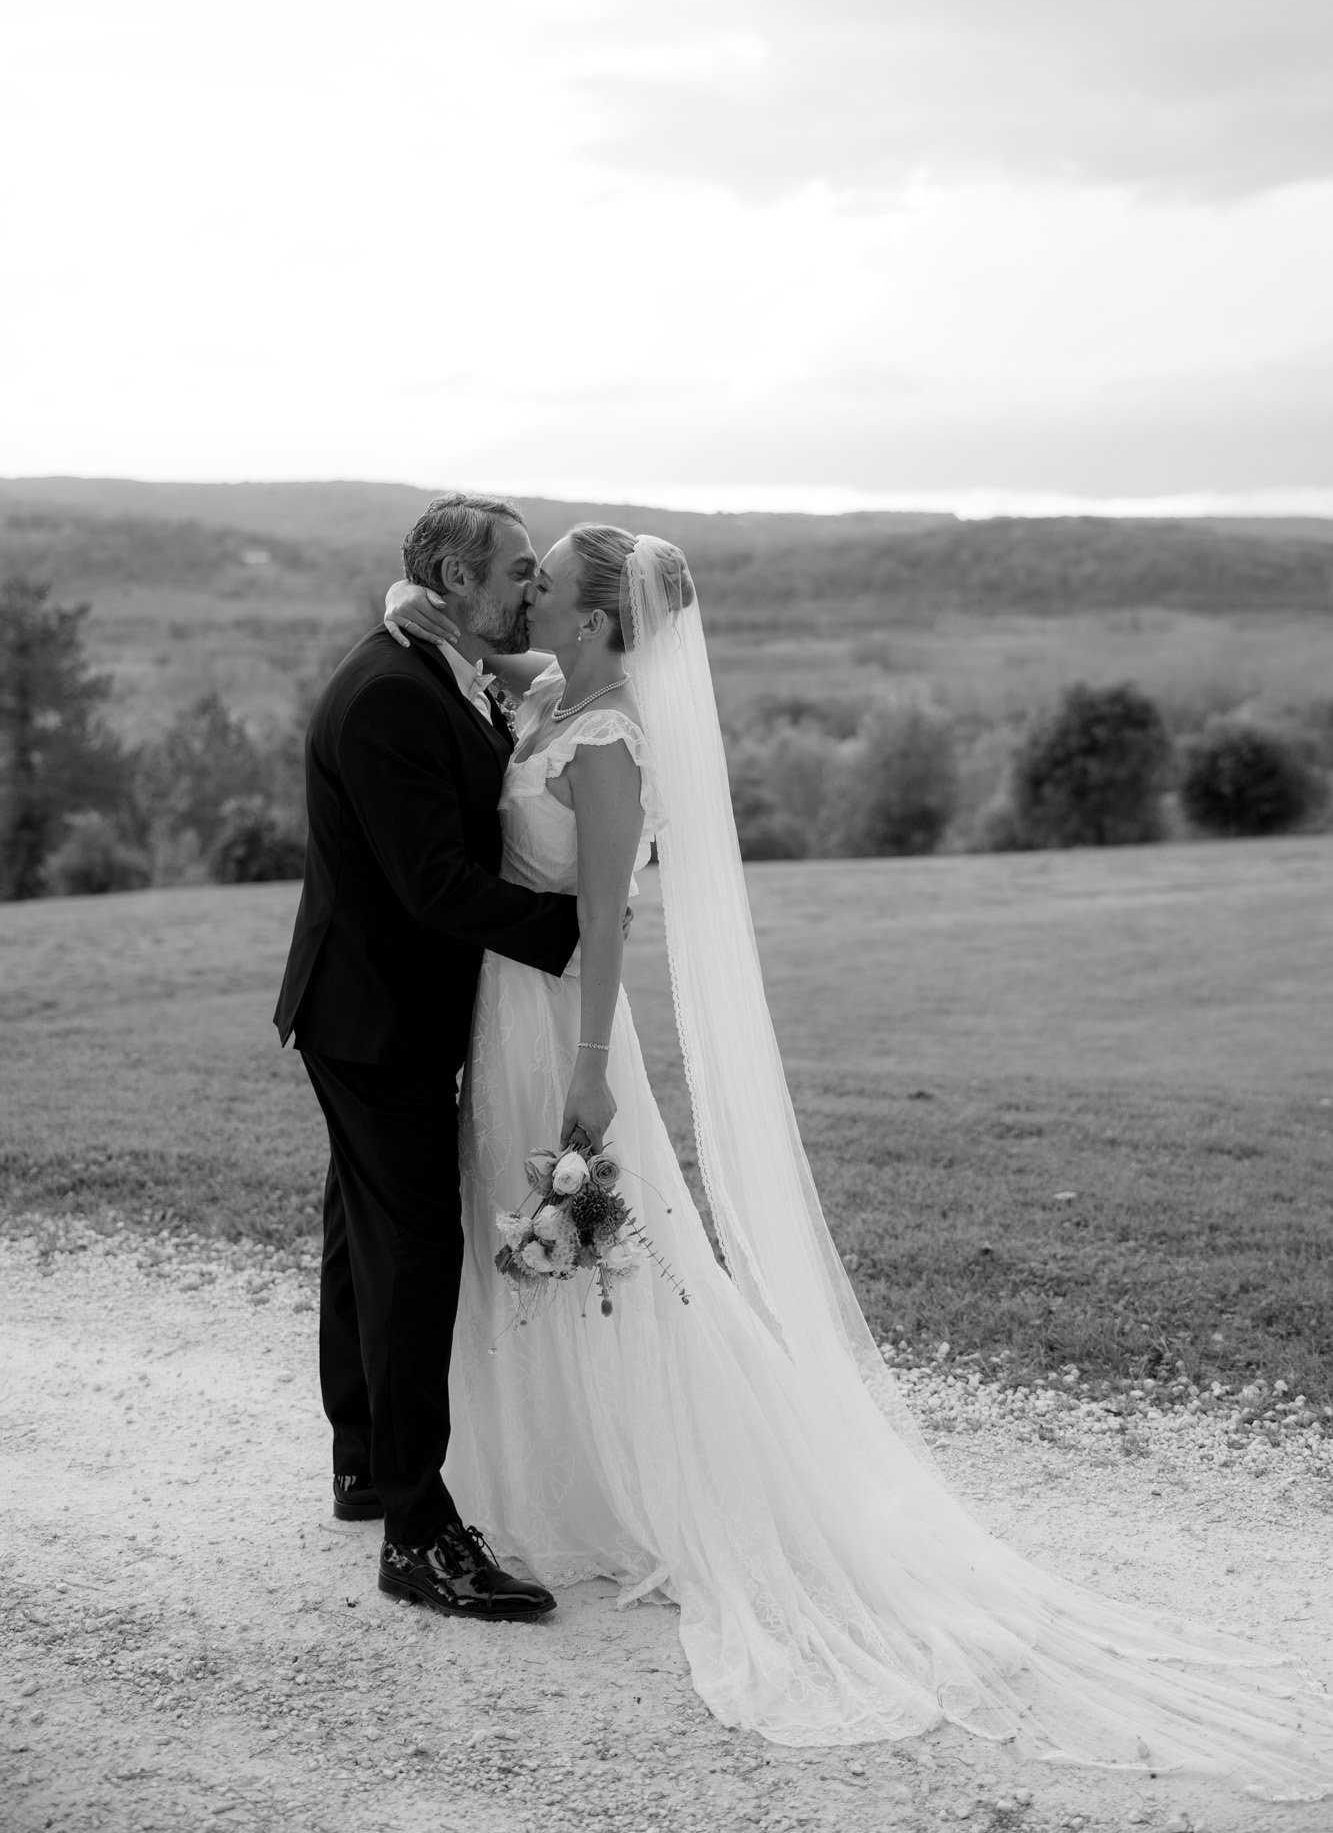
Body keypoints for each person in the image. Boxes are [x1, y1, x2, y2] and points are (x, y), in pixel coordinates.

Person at [381, 525, 1333, 1789]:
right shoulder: (558, 697)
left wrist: (591, 1067)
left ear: (602, 622)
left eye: (546, 585)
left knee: (626, 1263)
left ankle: (700, 1481)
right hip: (500, 1011)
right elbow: (472, 656)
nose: (529, 596)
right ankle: (561, 1478)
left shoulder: (608, 742)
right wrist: (424, 613)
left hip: (555, 1020)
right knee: (534, 1251)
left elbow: (604, 918)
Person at [275, 492, 581, 1622]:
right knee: (413, 1251)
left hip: (367, 1006)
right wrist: (576, 930)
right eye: (514, 572)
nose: (529, 590)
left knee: (364, 1232)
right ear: (455, 577)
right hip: (375, 1018)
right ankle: (418, 1532)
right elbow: (433, 886)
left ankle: (364, 1459)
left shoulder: (431, 664)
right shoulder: (391, 694)